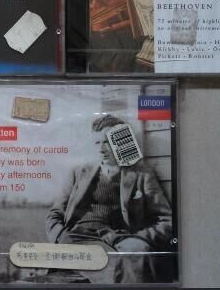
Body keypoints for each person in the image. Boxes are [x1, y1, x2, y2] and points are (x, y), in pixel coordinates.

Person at [45, 114, 173, 283]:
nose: (101, 149)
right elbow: (54, 214)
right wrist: (60, 236)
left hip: (117, 239)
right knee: (116, 265)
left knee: (139, 254)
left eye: (107, 142)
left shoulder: (141, 174)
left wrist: (139, 238)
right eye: (97, 143)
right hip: (79, 238)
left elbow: (167, 220)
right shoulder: (78, 173)